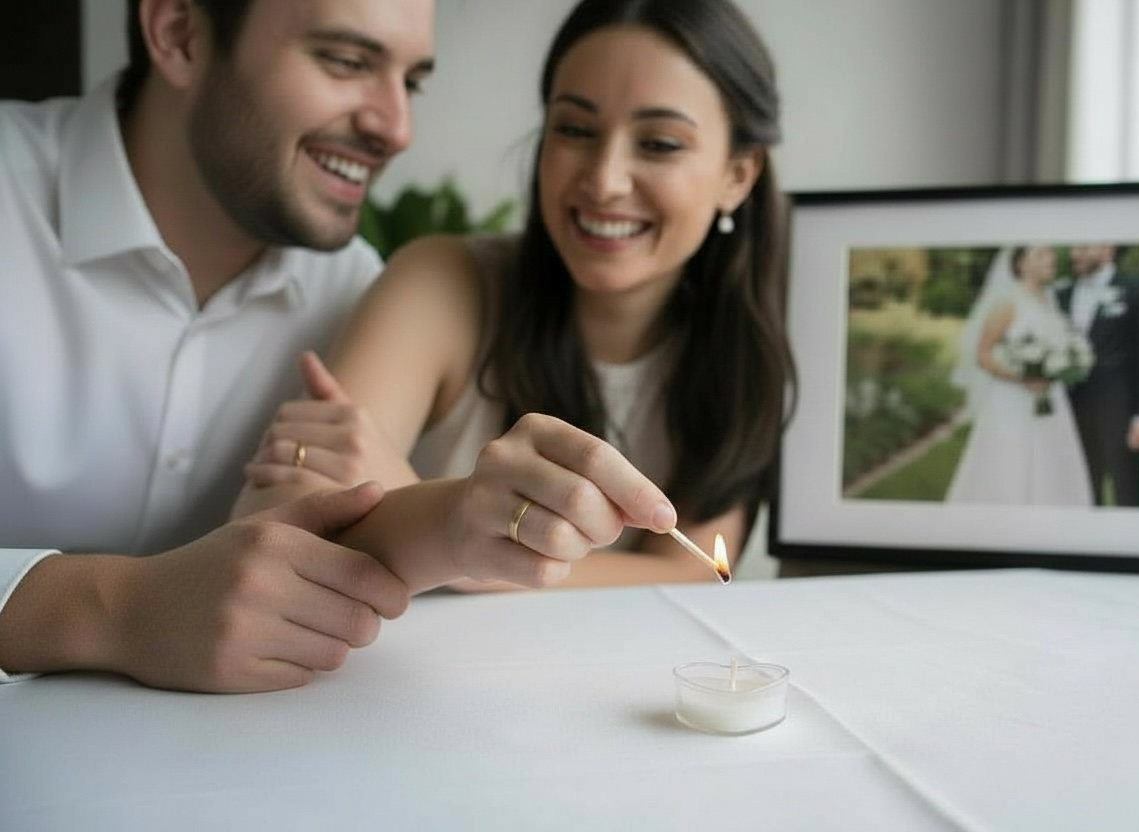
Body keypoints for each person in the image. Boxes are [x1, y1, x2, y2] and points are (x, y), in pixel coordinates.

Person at [0, 0, 674, 693]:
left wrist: (462, 518)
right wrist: (117, 610)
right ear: (179, 33)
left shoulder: (354, 289)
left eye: (410, 82)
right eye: (346, 62)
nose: (397, 128)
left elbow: (311, 548)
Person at [235, 0, 796, 589]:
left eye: (659, 144)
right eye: (575, 130)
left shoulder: (744, 343)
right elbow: (284, 529)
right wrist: (467, 533)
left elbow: (698, 573)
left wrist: (449, 534)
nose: (605, 180)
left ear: (738, 175)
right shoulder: (445, 283)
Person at [945, 246, 1094, 506]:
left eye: (1049, 255)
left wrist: (1066, 364)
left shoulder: (1050, 301)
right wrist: (1022, 377)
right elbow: (983, 355)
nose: (1050, 259)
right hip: (1012, 400)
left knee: (1052, 458)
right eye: (1041, 255)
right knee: (1010, 461)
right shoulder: (1007, 303)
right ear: (1021, 265)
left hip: (1050, 398)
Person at [1055, 244, 1139, 506]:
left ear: (1107, 249)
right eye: (1073, 249)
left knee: (1127, 489)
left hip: (1121, 408)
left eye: (1083, 248)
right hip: (1068, 410)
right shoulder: (1060, 294)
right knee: (1078, 487)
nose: (1075, 254)